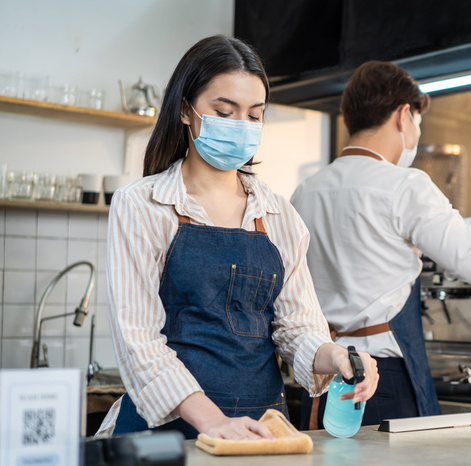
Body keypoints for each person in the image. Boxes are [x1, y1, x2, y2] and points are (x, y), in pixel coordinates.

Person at [95, 36, 379, 440]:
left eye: (254, 115)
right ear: (185, 111)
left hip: (262, 430)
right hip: (167, 434)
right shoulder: (142, 205)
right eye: (224, 112)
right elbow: (139, 342)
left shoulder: (280, 215)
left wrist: (334, 356)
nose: (241, 127)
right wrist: (212, 421)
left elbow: (296, 329)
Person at [290, 61, 471, 428]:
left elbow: (462, 228)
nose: (415, 133)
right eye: (417, 121)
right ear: (403, 115)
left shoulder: (305, 192)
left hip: (320, 379)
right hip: (381, 382)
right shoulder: (405, 185)